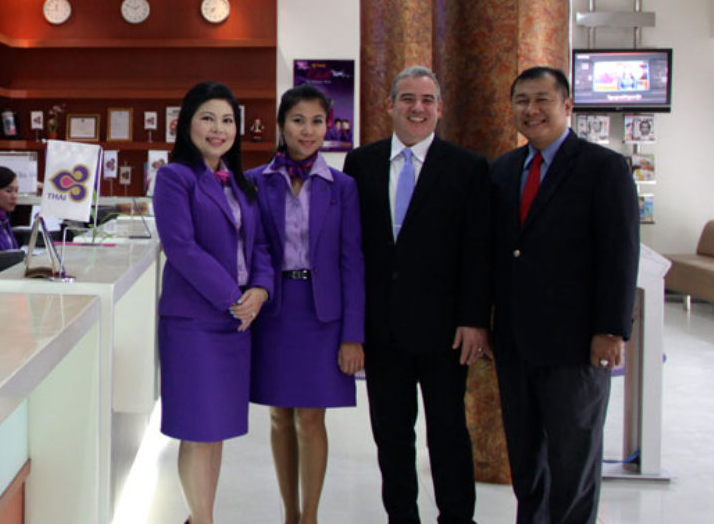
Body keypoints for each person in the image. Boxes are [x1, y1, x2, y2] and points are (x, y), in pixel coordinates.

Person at [489, 66, 637, 524]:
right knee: (526, 462)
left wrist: (611, 329)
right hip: (515, 344)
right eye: (521, 101)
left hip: (576, 345)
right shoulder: (502, 170)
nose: (531, 110)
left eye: (542, 100)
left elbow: (620, 253)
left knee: (574, 461)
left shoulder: (603, 168)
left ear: (567, 105)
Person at [342, 66, 490, 524]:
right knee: (391, 436)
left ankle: (457, 518)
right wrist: (353, 328)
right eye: (407, 98)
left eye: (427, 100)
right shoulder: (361, 164)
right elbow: (352, 251)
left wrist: (474, 319)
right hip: (383, 331)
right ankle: (401, 517)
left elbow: (477, 252)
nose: (417, 108)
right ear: (389, 105)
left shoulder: (467, 168)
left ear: (439, 109)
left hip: (445, 332)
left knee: (448, 433)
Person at [153, 81, 271, 524]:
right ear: (187, 124)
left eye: (226, 120)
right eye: (207, 118)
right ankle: (201, 520)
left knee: (216, 429)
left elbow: (260, 246)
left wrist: (260, 290)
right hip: (195, 322)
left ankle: (201, 516)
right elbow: (181, 247)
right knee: (198, 429)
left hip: (236, 322)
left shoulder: (240, 183)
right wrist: (233, 297)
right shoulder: (174, 178)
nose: (218, 129)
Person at [248, 83, 364, 524]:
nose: (308, 130)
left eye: (317, 121)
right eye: (298, 120)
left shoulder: (342, 187)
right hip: (274, 311)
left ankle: (310, 516)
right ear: (281, 124)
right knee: (279, 417)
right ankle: (289, 513)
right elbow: (251, 250)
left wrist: (353, 335)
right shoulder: (257, 182)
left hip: (322, 315)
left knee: (311, 419)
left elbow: (352, 262)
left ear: (328, 126)